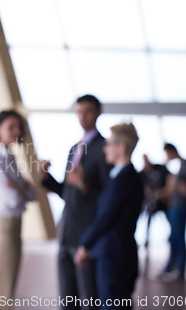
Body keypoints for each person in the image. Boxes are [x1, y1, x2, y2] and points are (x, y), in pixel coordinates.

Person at [39, 94, 112, 310]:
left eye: (87, 111)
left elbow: (109, 196)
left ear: (98, 113)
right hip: (67, 230)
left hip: (86, 232)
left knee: (88, 296)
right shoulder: (74, 148)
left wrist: (83, 185)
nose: (82, 116)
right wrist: (47, 179)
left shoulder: (105, 148)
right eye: (79, 111)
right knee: (67, 297)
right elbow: (67, 192)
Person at [74, 123, 144, 310]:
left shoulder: (124, 179)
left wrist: (85, 244)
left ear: (121, 147)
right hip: (117, 251)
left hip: (114, 254)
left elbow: (105, 217)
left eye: (109, 144)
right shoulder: (122, 177)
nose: (105, 149)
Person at [0, 110, 37, 310]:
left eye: (19, 126)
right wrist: (23, 186)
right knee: (0, 294)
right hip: (0, 228)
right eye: (11, 126)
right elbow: (12, 200)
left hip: (12, 227)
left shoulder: (8, 157)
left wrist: (18, 186)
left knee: (5, 292)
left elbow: (33, 195)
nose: (17, 131)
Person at [161, 143, 186, 281]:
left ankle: (181, 269)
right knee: (174, 237)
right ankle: (171, 267)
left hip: (181, 206)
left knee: (178, 236)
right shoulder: (176, 167)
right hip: (174, 205)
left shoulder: (185, 164)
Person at [139, 154, 170, 248]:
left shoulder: (160, 169)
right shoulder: (142, 173)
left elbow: (169, 177)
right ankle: (146, 239)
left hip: (162, 201)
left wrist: (164, 192)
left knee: (167, 218)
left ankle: (170, 235)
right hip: (150, 203)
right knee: (148, 217)